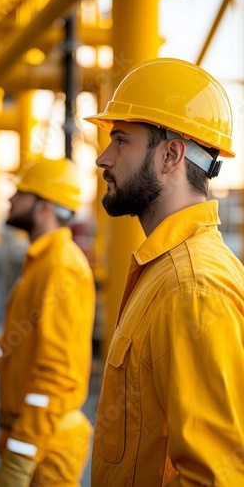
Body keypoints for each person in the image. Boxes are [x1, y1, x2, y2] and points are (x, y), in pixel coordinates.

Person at [84, 58, 244, 486]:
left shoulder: (191, 288)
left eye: (120, 141)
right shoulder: (165, 271)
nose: (103, 158)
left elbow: (214, 478)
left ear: (171, 155)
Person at [0, 157, 96, 486]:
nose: (10, 199)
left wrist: (21, 459)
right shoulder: (41, 263)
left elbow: (56, 374)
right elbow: (15, 346)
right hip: (32, 435)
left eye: (20, 192)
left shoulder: (60, 268)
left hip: (44, 444)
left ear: (44, 208)